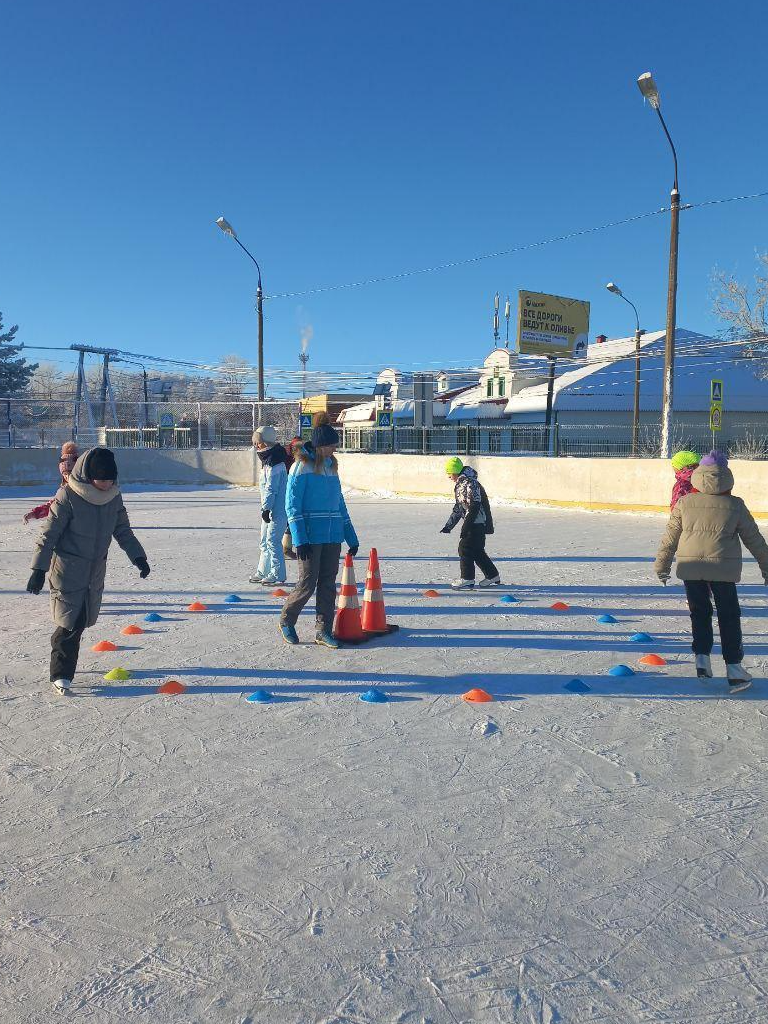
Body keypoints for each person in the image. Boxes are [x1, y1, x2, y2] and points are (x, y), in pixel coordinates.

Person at [25, 447, 150, 694]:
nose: (105, 485)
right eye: (101, 480)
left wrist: (138, 556)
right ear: (89, 476)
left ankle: (62, 658)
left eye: (109, 480)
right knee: (71, 622)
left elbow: (123, 530)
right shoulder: (68, 495)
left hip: (94, 570)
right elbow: (48, 535)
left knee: (80, 619)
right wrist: (38, 569)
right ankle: (61, 673)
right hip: (68, 568)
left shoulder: (113, 496)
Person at [655, 450, 768, 693]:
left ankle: (702, 659)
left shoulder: (685, 502)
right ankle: (735, 670)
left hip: (691, 567)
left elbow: (670, 538)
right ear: (727, 476)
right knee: (729, 616)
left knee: (700, 612)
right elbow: (755, 540)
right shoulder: (735, 505)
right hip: (723, 569)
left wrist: (662, 566)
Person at [279, 419, 358, 648]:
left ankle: (322, 630)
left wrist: (350, 537)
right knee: (307, 583)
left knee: (327, 585)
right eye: (332, 445)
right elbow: (292, 506)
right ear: (321, 444)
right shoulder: (300, 466)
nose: (335, 449)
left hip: (332, 536)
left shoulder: (331, 467)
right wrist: (299, 539)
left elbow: (340, 504)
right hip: (310, 537)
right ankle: (286, 620)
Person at [440, 456, 499, 590]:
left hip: (476, 522)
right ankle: (492, 575)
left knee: (465, 548)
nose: (449, 477)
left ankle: (467, 579)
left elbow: (475, 505)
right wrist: (449, 526)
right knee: (477, 550)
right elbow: (459, 507)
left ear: (454, 472)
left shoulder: (470, 483)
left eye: (449, 473)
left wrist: (466, 526)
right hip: (475, 521)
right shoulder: (462, 484)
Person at [250, 425, 290, 585]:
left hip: (277, 510)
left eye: (258, 442)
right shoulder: (267, 461)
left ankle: (278, 573)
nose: (256, 445)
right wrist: (265, 508)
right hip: (268, 509)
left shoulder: (275, 463)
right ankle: (263, 571)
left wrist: (266, 508)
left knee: (273, 541)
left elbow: (271, 489)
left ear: (266, 442)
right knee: (264, 541)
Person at [23, 442, 79, 523]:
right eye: (65, 474)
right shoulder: (64, 490)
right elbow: (54, 505)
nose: (68, 476)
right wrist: (35, 513)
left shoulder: (86, 487)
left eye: (71, 473)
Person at [282, 435, 304, 561]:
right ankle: (286, 548)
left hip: (292, 489)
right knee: (292, 519)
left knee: (291, 519)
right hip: (289, 490)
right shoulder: (289, 458)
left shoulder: (289, 455)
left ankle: (287, 547)